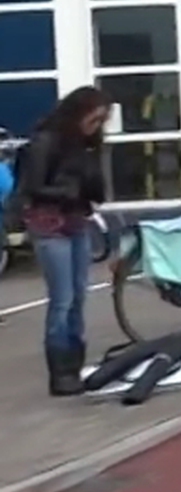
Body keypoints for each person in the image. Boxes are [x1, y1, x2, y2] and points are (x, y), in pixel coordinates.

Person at [17, 87, 110, 396]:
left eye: (100, 121)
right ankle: (60, 371)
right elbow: (32, 187)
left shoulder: (86, 145)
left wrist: (93, 187)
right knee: (63, 298)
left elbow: (92, 185)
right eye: (93, 120)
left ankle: (74, 361)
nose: (96, 127)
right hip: (49, 224)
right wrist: (67, 192)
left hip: (76, 221)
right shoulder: (46, 141)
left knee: (79, 295)